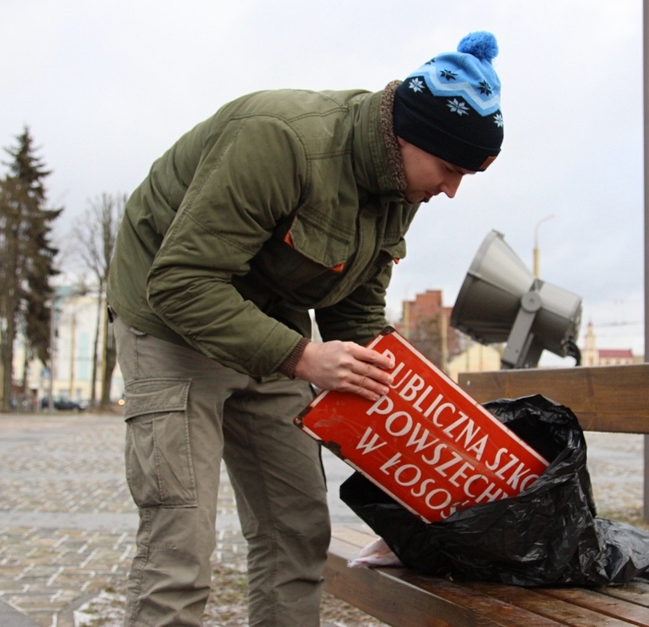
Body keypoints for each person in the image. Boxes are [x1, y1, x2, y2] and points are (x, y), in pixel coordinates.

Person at [105, 31, 504, 626]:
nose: (450, 189)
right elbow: (182, 283)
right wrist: (302, 359)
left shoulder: (402, 184)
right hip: (170, 321)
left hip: (270, 323)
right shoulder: (280, 140)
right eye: (450, 168)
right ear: (408, 135)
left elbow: (356, 316)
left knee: (297, 530)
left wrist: (432, 426)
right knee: (179, 547)